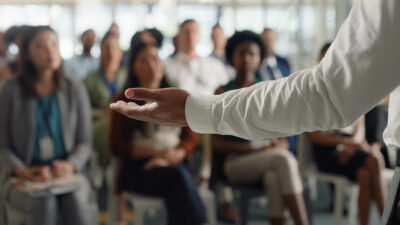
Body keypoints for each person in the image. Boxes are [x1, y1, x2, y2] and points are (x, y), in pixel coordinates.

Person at [109, 0, 400, 224]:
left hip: (251, 154)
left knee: (279, 169)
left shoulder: (258, 84)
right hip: (233, 161)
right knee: (280, 165)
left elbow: (329, 94)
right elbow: (328, 95)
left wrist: (193, 112)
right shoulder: (224, 86)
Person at [212, 30, 309, 225]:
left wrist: (277, 146)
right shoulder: (222, 92)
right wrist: (255, 149)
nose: (247, 58)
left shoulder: (267, 91)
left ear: (259, 59)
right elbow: (218, 144)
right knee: (285, 161)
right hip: (236, 162)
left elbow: (283, 138)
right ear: (232, 57)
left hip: (269, 159)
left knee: (274, 178)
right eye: (242, 53)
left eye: (252, 54)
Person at [0, 26, 94, 225]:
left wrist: (71, 165)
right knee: (45, 203)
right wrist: (22, 170)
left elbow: (85, 142)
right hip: (24, 176)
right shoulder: (10, 90)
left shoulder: (75, 89)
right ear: (26, 55)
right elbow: (3, 145)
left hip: (67, 173)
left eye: (53, 44)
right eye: (40, 46)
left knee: (75, 201)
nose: (50, 50)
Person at [109, 42, 208, 225]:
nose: (151, 64)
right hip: (141, 169)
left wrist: (174, 154)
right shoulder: (122, 100)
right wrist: (156, 155)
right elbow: (117, 146)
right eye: (143, 61)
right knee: (178, 178)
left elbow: (190, 138)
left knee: (177, 182)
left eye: (155, 58)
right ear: (134, 68)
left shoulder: (177, 95)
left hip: (174, 162)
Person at [309, 116, 386, 225]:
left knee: (364, 175)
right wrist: (347, 143)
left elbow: (359, 135)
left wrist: (350, 145)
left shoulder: (359, 103)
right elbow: (315, 137)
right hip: (327, 151)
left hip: (351, 147)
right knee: (375, 159)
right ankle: (388, 218)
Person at [85, 31, 127, 167]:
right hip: (101, 122)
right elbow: (82, 109)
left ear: (121, 52)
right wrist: (102, 114)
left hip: (127, 120)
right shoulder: (90, 80)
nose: (111, 52)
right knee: (108, 126)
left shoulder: (129, 76)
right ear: (101, 52)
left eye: (114, 48)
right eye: (106, 48)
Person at [165, 19, 229, 95]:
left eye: (194, 31)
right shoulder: (166, 65)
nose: (190, 36)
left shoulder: (215, 64)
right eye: (186, 32)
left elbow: (225, 91)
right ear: (179, 36)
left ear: (199, 35)